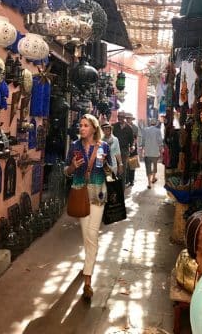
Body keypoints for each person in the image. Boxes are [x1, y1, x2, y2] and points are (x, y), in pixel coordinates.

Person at [64, 114, 111, 301]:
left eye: (85, 125)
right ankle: (88, 263)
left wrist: (106, 163)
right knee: (87, 236)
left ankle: (88, 281)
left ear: (93, 128)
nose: (82, 128)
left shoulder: (103, 146)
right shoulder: (74, 146)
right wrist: (73, 167)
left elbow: (110, 171)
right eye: (80, 125)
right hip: (80, 193)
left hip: (99, 193)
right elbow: (66, 171)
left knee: (92, 235)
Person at [112, 110, 134, 190]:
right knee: (114, 169)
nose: (120, 118)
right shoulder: (114, 126)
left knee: (122, 171)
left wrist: (132, 147)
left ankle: (121, 189)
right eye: (119, 117)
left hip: (124, 152)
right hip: (114, 151)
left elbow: (131, 141)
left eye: (121, 117)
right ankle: (114, 188)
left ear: (124, 118)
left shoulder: (129, 128)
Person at [141, 118, 163, 189]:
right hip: (155, 152)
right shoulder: (158, 131)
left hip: (147, 152)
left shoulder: (145, 130)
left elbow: (143, 141)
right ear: (156, 123)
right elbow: (160, 142)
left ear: (150, 123)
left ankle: (149, 183)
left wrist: (143, 151)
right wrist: (161, 151)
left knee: (148, 168)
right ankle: (153, 178)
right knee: (155, 166)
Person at [125, 112, 139, 186]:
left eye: (129, 118)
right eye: (126, 118)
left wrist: (133, 146)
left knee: (132, 165)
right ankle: (126, 180)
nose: (127, 120)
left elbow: (136, 138)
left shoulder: (135, 127)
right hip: (125, 148)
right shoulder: (123, 127)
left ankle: (131, 180)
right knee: (126, 165)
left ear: (131, 119)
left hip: (133, 147)